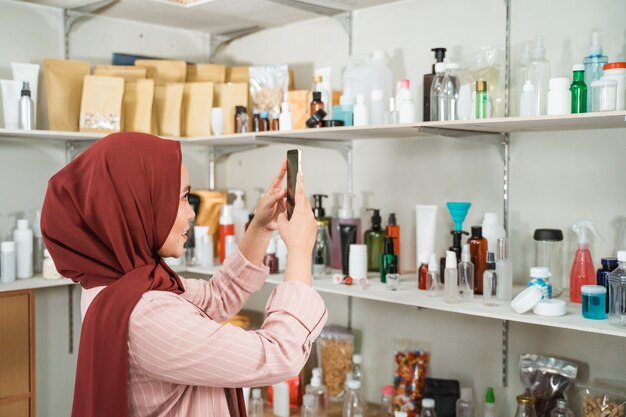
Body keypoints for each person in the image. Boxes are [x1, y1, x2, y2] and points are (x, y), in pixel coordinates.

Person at [41, 132, 328, 417]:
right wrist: (300, 250)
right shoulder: (145, 315)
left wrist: (260, 228)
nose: (191, 213)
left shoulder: (120, 285)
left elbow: (218, 297)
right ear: (137, 206)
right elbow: (280, 354)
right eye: (182, 198)